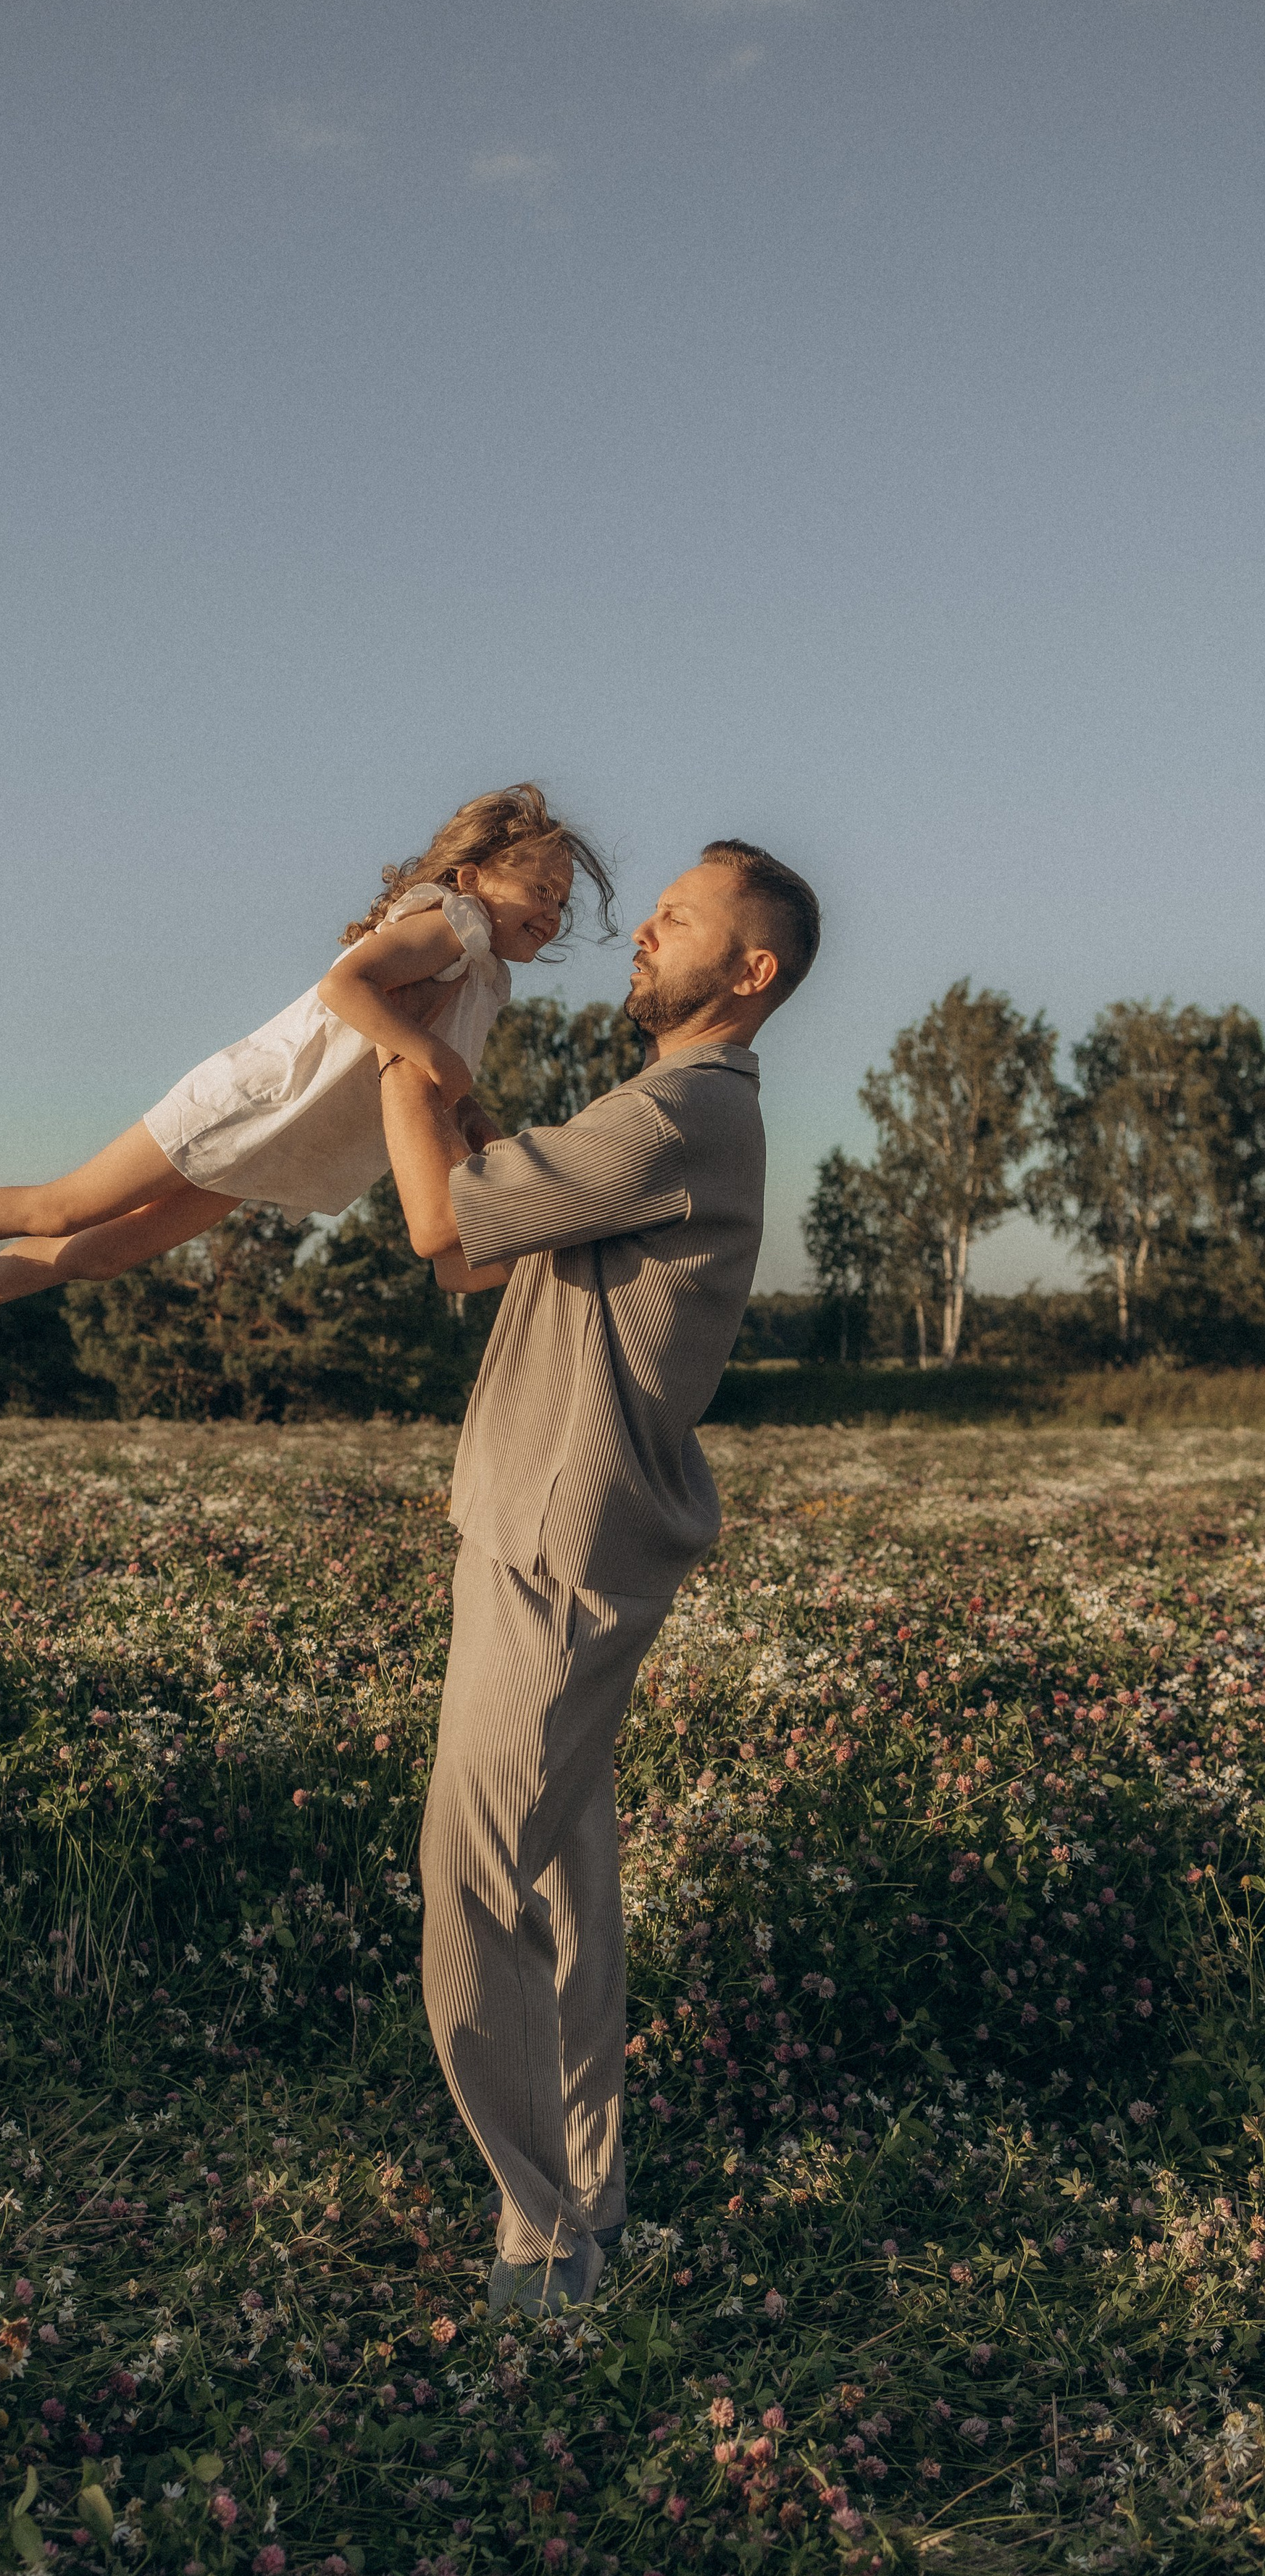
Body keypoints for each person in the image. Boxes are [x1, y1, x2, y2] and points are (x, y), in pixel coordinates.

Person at [375, 836, 820, 2321]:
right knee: (558, 1898)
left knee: (471, 1889)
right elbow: (490, 1244)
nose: (640, 930)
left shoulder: (681, 1113)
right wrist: (444, 1073)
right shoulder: (665, 1115)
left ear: (745, 973)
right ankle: (585, 2204)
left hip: (558, 1556)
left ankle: (542, 2244)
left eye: (676, 920)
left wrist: (385, 1030)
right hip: (534, 1531)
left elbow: (440, 1225)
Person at [0, 785, 614, 1408]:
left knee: (107, 1255)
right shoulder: (452, 924)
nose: (553, 910)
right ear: (472, 876)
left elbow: (436, 1081)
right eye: (539, 889)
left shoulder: (486, 974)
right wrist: (433, 1055)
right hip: (249, 1100)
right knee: (63, 1207)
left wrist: (479, 1126)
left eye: (562, 901)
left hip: (281, 1142)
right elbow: (346, 990)